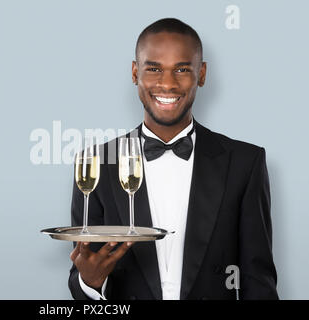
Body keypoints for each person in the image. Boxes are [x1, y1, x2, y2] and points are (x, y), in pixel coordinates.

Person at [68, 18, 278, 300]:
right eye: (154, 68)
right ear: (135, 72)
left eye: (182, 69)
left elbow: (258, 279)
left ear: (201, 75)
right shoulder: (97, 162)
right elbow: (82, 275)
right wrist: (89, 283)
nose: (167, 83)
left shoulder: (244, 163)